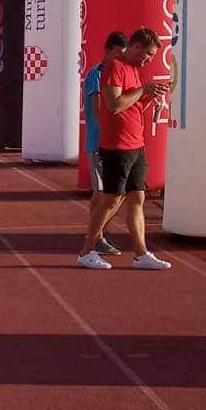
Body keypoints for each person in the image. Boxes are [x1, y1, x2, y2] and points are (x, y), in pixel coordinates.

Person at [77, 26, 171, 270]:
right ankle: (87, 250)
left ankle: (141, 253)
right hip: (117, 145)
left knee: (138, 196)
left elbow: (132, 104)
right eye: (148, 54)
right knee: (111, 198)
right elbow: (114, 105)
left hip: (136, 143)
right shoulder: (115, 68)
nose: (149, 60)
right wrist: (143, 90)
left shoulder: (133, 70)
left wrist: (149, 96)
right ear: (136, 47)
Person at [81, 31, 127, 255]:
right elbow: (99, 109)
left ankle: (98, 234)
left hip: (114, 143)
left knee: (116, 193)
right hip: (98, 142)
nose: (120, 58)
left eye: (123, 55)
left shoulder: (119, 74)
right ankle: (95, 238)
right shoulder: (96, 75)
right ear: (107, 51)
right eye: (117, 53)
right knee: (101, 192)